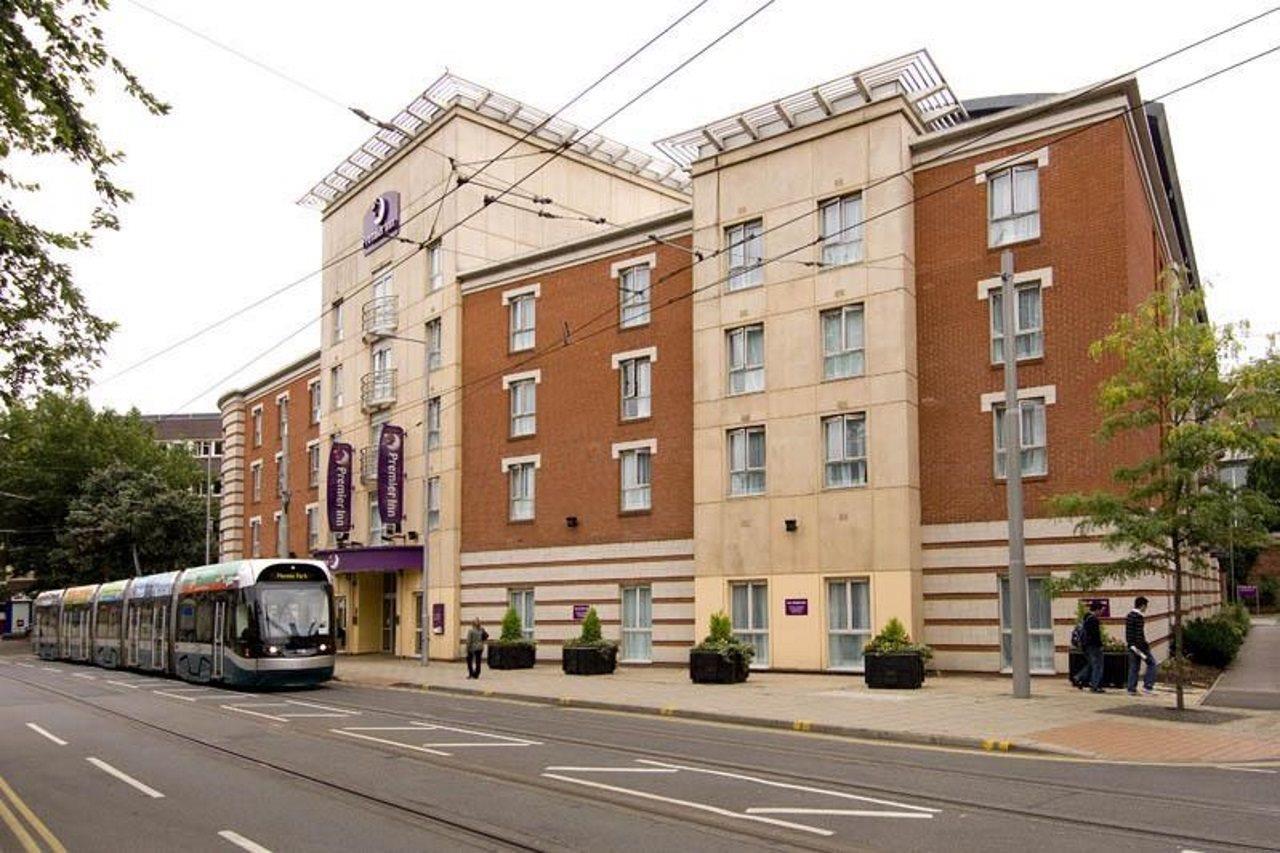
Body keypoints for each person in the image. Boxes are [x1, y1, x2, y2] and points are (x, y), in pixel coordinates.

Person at [1071, 600, 1106, 693]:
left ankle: (1078, 677)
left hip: (1085, 646)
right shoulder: (1093, 620)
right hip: (1093, 646)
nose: (1102, 612)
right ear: (1097, 610)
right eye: (1101, 610)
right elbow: (1095, 635)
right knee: (1098, 665)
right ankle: (1095, 686)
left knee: (1091, 664)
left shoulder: (1086, 618)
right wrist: (1100, 645)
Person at [1125, 596, 1158, 695]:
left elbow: (1129, 632)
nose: (1146, 609)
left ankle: (1131, 688)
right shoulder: (1138, 617)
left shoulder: (1129, 615)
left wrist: (1131, 644)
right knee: (1152, 664)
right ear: (1142, 605)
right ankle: (1148, 685)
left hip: (1131, 646)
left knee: (1134, 667)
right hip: (1140, 647)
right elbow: (1139, 633)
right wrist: (1144, 646)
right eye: (1145, 606)